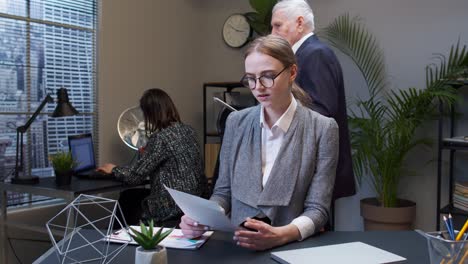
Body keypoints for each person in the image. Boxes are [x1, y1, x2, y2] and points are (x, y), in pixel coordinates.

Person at [180, 35, 338, 250]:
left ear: (292, 72)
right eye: (251, 79)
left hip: (290, 248)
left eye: (268, 76)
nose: (258, 87)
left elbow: (318, 209)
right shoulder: (236, 122)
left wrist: (283, 235)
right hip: (237, 247)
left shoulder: (322, 128)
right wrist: (200, 218)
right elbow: (223, 193)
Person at [271, 0, 356, 200]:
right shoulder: (305, 54)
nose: (272, 33)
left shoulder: (315, 54)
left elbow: (321, 114)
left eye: (277, 25)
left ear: (300, 23)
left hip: (314, 170)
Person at [97, 88, 206, 226]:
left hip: (171, 204)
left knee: (127, 197)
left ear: (149, 113)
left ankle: (119, 238)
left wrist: (113, 169)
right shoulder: (188, 130)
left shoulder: (160, 138)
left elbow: (134, 176)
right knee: (131, 196)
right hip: (194, 200)